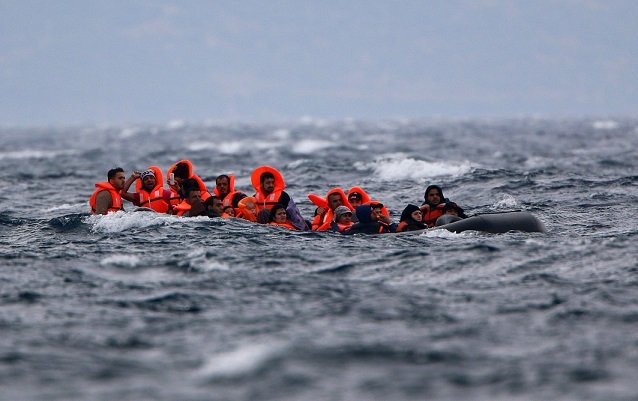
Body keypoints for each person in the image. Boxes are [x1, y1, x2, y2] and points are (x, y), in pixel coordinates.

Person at [250, 165, 309, 230]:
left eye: (272, 182)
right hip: (260, 224)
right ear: (261, 184)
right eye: (268, 183)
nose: (271, 185)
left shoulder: (283, 196)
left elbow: (290, 213)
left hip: (278, 224)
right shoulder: (255, 197)